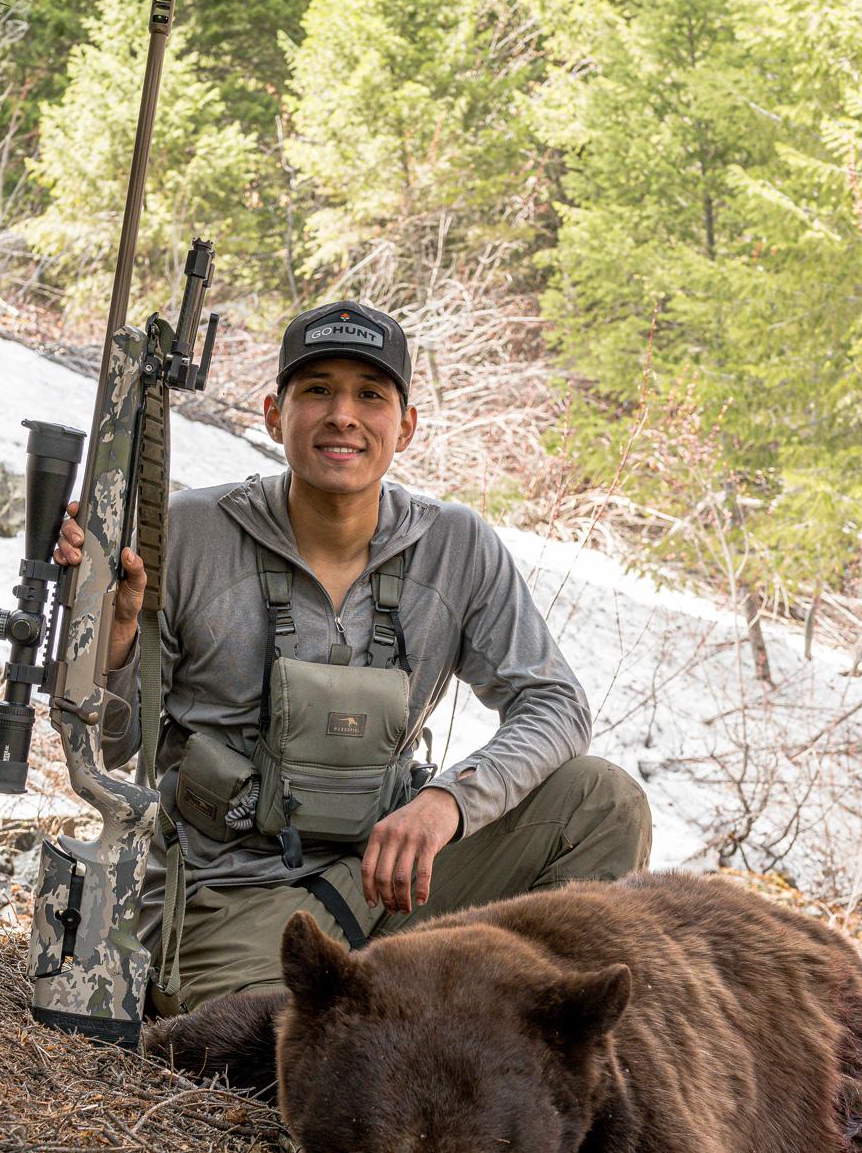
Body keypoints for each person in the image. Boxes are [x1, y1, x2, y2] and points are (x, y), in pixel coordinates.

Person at [53, 298, 650, 1015]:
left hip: (394, 877)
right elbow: (115, 748)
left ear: (407, 424)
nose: (343, 414)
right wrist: (113, 637)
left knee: (604, 801)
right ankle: (421, 1016)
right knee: (272, 1042)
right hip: (235, 899)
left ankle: (526, 1040)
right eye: (318, 391)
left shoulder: (456, 544)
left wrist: (446, 803)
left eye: (370, 394)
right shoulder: (191, 532)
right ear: (275, 414)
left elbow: (556, 704)